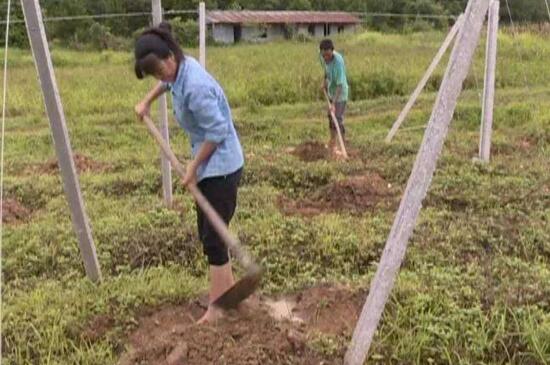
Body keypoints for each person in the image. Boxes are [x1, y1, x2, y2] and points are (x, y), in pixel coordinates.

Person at [133, 22, 244, 324]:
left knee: (212, 239)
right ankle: (229, 293)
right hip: (210, 166)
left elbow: (218, 131)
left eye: (160, 71)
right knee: (213, 234)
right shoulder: (178, 70)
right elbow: (168, 84)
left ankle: (217, 309)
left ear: (170, 58)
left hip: (221, 169)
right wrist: (147, 101)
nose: (160, 78)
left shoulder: (195, 86)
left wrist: (193, 168)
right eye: (155, 75)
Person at [319, 38, 349, 157]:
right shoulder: (322, 56)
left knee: (337, 119)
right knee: (331, 118)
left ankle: (342, 146)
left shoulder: (338, 63)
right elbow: (326, 70)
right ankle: (333, 142)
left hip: (340, 95)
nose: (325, 58)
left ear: (332, 51)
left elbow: (340, 85)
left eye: (327, 55)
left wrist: (333, 104)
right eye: (323, 55)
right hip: (331, 92)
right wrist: (325, 81)